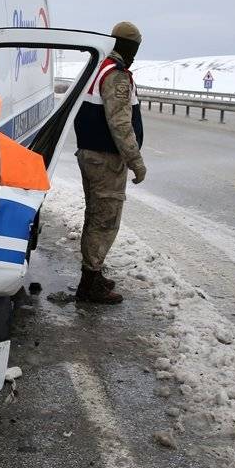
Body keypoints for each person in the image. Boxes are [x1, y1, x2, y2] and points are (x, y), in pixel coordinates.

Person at [71, 21, 147, 303]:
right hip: (106, 160)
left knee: (96, 217)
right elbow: (121, 124)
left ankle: (94, 273)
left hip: (91, 156)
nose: (135, 54)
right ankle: (89, 284)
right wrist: (136, 162)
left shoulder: (97, 68)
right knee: (105, 221)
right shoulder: (116, 75)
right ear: (129, 47)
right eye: (135, 48)